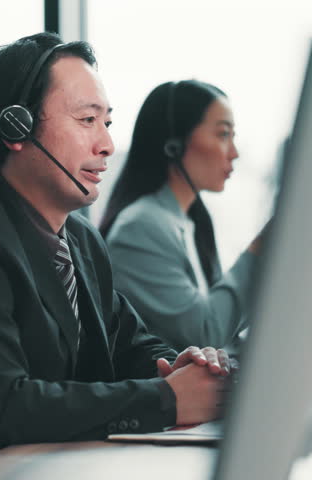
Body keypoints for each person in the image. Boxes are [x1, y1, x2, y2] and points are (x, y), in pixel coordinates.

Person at [0, 33, 233, 480]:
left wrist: (180, 367)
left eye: (107, 123)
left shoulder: (78, 238)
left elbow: (130, 343)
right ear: (16, 129)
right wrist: (167, 399)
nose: (106, 145)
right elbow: (2, 405)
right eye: (87, 120)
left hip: (48, 466)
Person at [99, 80, 265, 352]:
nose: (234, 153)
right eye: (223, 135)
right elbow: (206, 332)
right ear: (174, 145)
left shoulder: (189, 221)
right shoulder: (141, 226)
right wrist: (261, 248)